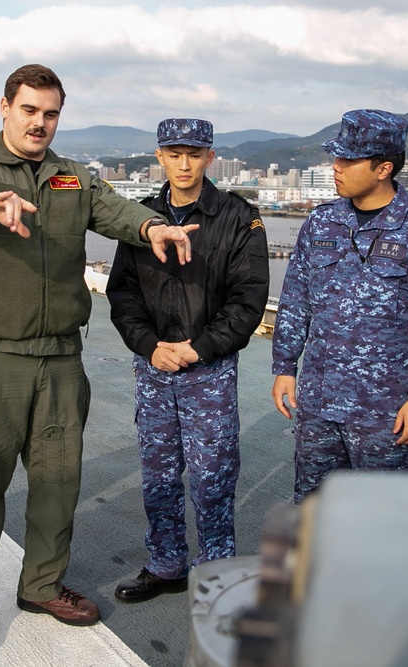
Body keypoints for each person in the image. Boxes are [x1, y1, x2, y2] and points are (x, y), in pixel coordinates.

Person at [0, 64, 198, 662]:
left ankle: (42, 586)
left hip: (58, 355)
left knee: (57, 484)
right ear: (5, 106)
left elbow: (114, 210)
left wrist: (153, 225)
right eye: (29, 110)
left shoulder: (71, 178)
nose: (40, 123)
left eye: (50, 113)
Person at [106, 118, 269, 601]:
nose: (184, 164)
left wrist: (199, 347)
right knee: (157, 473)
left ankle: (216, 573)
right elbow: (123, 294)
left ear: (210, 158)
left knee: (212, 476)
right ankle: (166, 563)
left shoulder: (239, 218)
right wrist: (149, 346)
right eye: (174, 153)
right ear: (159, 156)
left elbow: (248, 300)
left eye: (194, 154)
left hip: (209, 369)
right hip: (155, 367)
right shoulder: (142, 217)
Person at [271, 109, 408, 504]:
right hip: (319, 401)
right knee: (312, 508)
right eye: (335, 158)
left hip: (384, 408)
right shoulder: (321, 223)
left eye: (347, 160)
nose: (335, 168)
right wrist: (285, 367)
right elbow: (295, 299)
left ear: (383, 168)